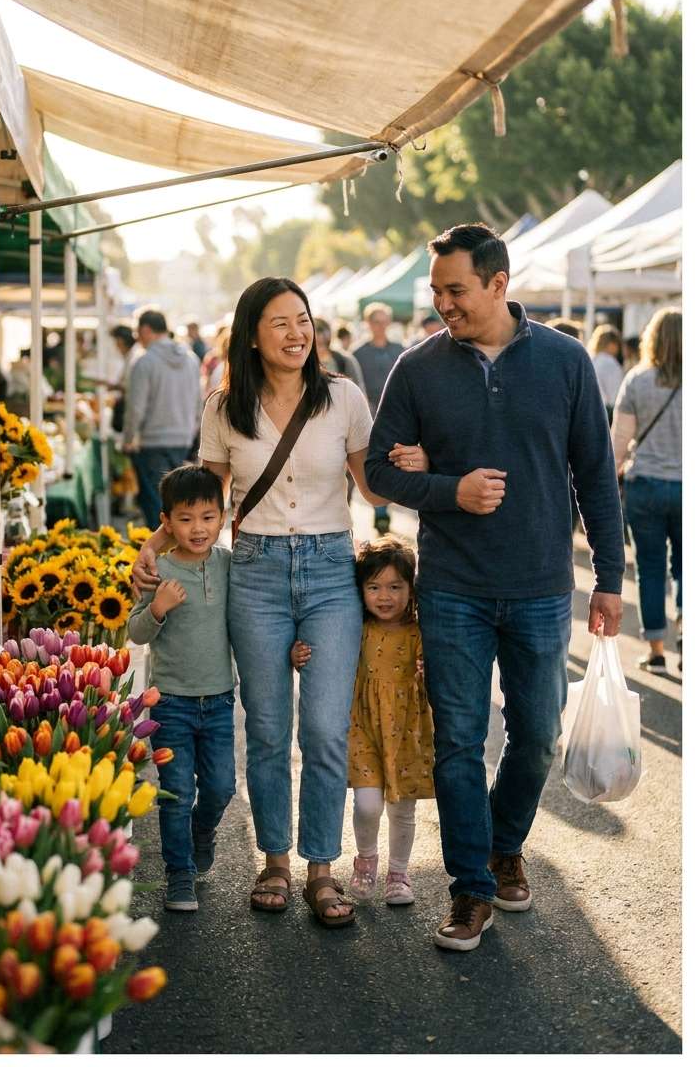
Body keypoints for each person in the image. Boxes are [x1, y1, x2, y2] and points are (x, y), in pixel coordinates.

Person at [133, 277, 424, 927]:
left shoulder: (344, 397)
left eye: (303, 320)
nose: (297, 334)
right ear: (252, 336)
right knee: (267, 730)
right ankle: (274, 860)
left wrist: (419, 462)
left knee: (322, 729)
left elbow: (373, 490)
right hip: (257, 573)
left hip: (328, 572)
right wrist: (153, 545)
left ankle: (322, 869)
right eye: (280, 323)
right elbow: (207, 495)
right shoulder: (224, 406)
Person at [365, 223, 625, 952]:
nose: (443, 303)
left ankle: (503, 844)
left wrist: (610, 579)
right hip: (452, 586)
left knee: (538, 734)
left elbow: (597, 477)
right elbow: (379, 473)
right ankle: (471, 887)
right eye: (437, 290)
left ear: (498, 283)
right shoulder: (416, 370)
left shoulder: (566, 362)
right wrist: (450, 490)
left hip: (543, 585)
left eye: (456, 289)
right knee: (457, 740)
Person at [291, 535, 434, 906]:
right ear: (360, 589)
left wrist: (428, 668)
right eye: (374, 587)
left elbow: (436, 675)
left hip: (406, 731)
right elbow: (327, 656)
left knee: (403, 808)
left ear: (411, 588)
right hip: (365, 728)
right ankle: (366, 859)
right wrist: (299, 652)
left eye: (395, 587)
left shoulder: (421, 632)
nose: (384, 596)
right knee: (368, 803)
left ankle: (399, 873)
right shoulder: (356, 626)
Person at [127, 465, 236, 912]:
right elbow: (136, 632)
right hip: (169, 703)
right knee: (175, 793)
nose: (198, 528)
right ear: (166, 522)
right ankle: (179, 874)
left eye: (208, 517)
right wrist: (157, 607)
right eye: (186, 519)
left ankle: (202, 832)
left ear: (223, 518)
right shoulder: (158, 570)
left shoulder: (229, 564)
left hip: (220, 702)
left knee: (221, 787)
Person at [611, 307, 682, 674]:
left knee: (650, 568)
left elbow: (619, 443)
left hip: (646, 487)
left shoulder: (637, 380)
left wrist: (609, 478)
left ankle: (656, 650)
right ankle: (686, 629)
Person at [122, 308, 202, 528]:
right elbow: (199, 402)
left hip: (153, 441)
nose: (136, 338)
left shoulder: (144, 362)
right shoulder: (191, 359)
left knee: (156, 503)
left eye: (137, 332)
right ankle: (179, 553)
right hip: (183, 439)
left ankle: (160, 555)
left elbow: (135, 407)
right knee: (178, 502)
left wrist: (128, 438)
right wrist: (192, 431)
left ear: (146, 330)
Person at [352, 303, 404, 534]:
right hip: (368, 417)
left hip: (398, 417)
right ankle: (380, 512)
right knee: (370, 464)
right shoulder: (358, 354)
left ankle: (384, 510)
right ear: (368, 324)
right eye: (376, 321)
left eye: (384, 321)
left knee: (394, 464)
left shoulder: (399, 350)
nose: (380, 326)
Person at [313, 316, 367, 395]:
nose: (319, 338)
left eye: (322, 343)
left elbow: (359, 391)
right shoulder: (303, 363)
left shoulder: (345, 360)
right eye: (315, 343)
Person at [588, 323, 625, 421]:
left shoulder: (589, 359)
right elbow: (616, 395)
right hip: (606, 414)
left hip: (588, 411)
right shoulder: (611, 363)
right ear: (612, 344)